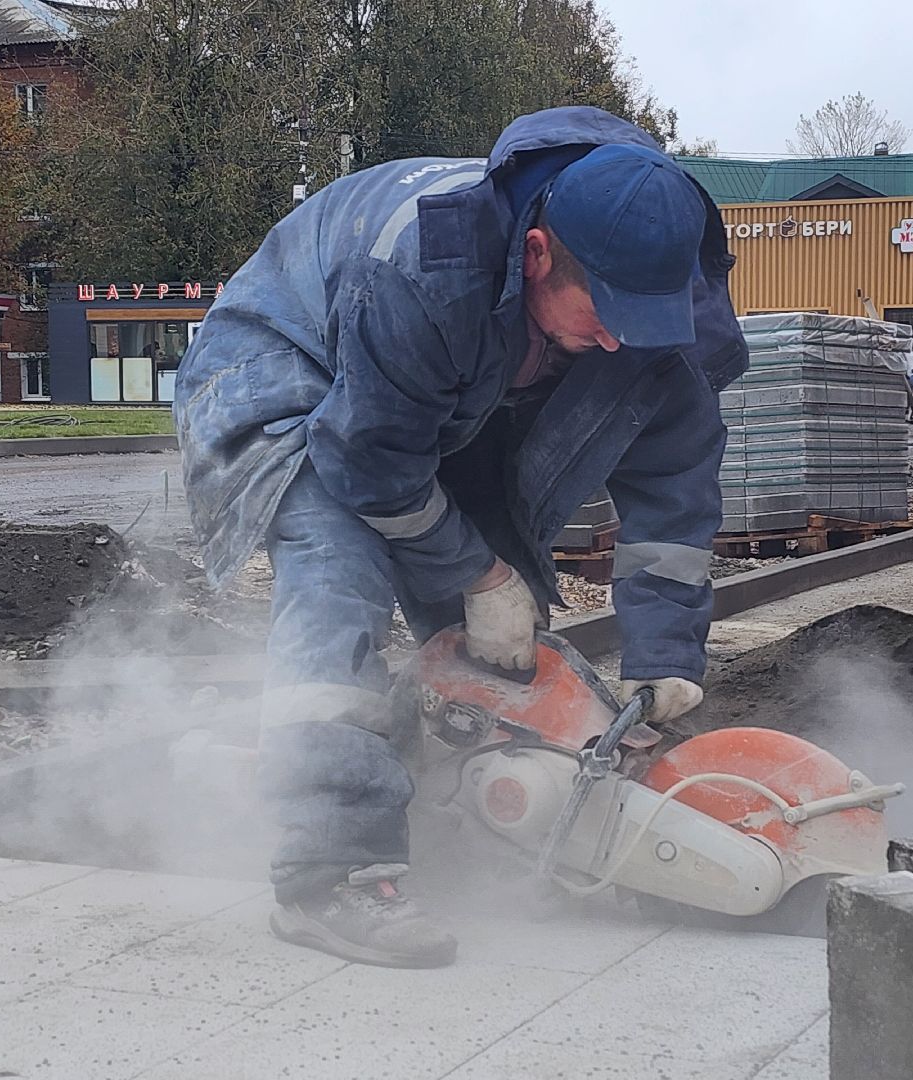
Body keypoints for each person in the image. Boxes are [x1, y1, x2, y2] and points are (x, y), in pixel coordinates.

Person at [175, 106, 748, 969]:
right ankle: (331, 866)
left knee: (493, 662)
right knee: (341, 572)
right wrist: (482, 577)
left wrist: (668, 652)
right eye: (605, 309)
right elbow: (369, 464)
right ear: (538, 251)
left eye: (646, 314)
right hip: (295, 372)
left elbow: (673, 492)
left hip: (441, 404)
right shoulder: (424, 269)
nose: (621, 336)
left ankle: (469, 823)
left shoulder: (659, 299)